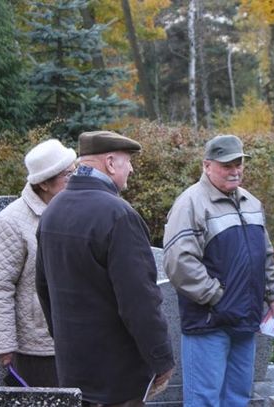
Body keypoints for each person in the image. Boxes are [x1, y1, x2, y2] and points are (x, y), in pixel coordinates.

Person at [35, 131, 174, 406]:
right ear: (110, 163)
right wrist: (162, 359)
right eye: (127, 161)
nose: (132, 169)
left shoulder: (52, 210)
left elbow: (43, 288)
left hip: (72, 369)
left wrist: (65, 340)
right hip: (117, 377)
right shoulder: (118, 215)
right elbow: (140, 301)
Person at [163, 134, 274, 407]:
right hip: (209, 323)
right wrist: (217, 297)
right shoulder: (191, 203)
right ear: (207, 166)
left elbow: (264, 255)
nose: (235, 170)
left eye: (239, 163)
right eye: (227, 165)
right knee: (204, 401)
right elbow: (178, 262)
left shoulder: (251, 203)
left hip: (245, 321)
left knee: (238, 400)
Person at [0, 138, 76, 387]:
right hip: (38, 346)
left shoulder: (75, 209)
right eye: (68, 174)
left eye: (75, 170)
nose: (75, 179)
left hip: (80, 338)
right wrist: (5, 346)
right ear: (44, 183)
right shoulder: (11, 221)